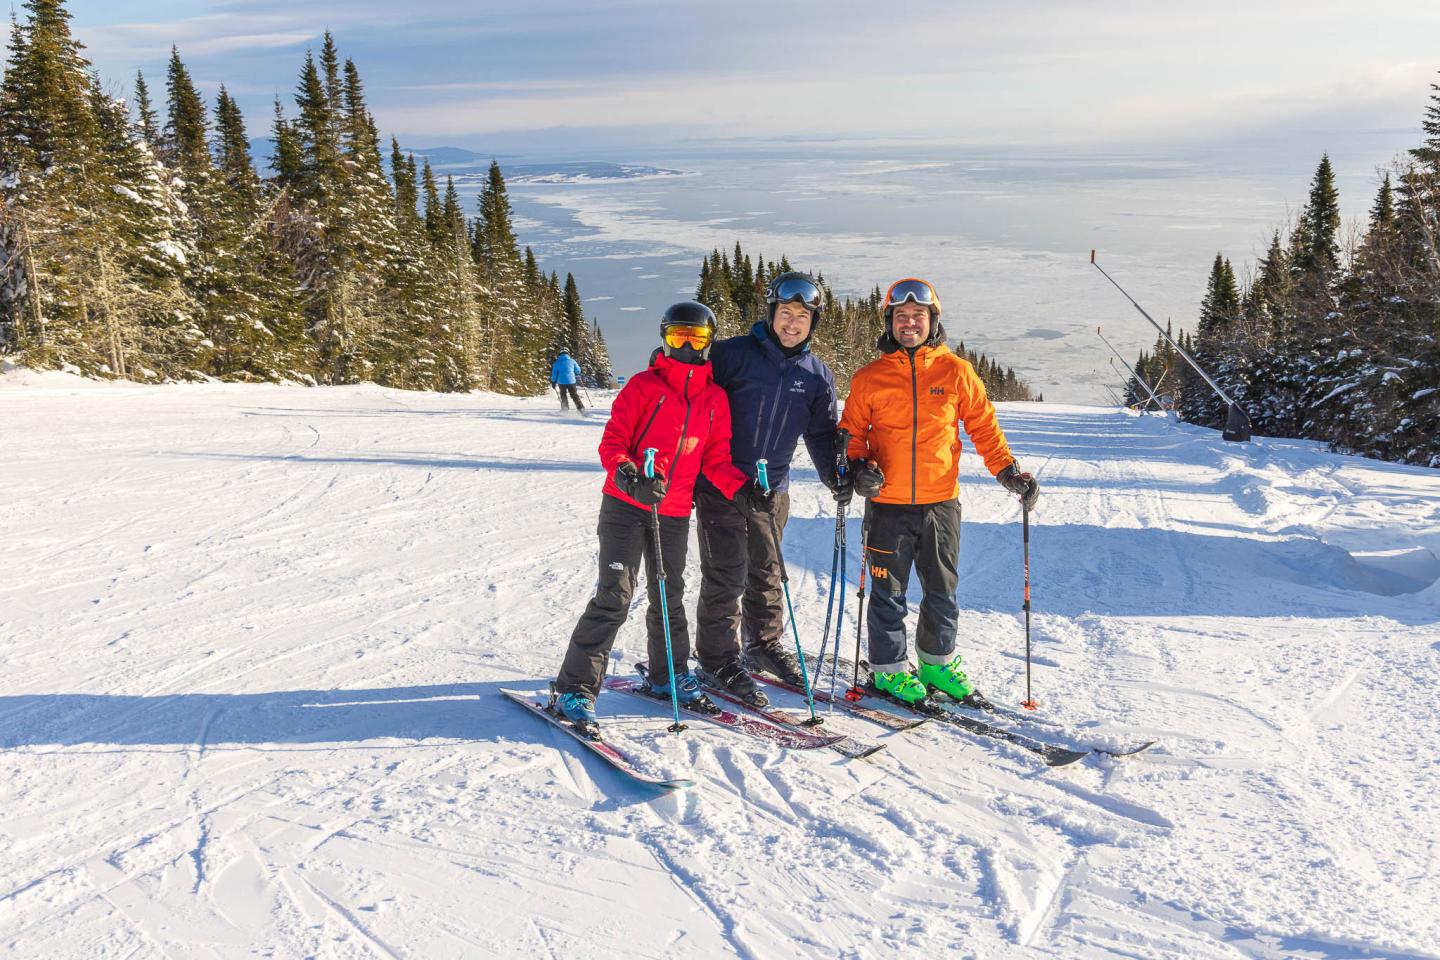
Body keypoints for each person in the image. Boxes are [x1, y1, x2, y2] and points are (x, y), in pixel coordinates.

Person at [839, 278, 1040, 705]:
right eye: (901, 317)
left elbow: (983, 426)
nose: (909, 323)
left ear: (933, 321)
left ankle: (936, 664)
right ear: (889, 322)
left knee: (941, 592)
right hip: (888, 507)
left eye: (918, 316)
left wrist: (1007, 470)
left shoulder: (955, 371)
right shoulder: (869, 379)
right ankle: (889, 672)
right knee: (888, 595)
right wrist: (859, 469)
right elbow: (852, 436)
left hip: (940, 504)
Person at [551, 302, 752, 730]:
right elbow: (613, 443)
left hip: (674, 511)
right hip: (626, 506)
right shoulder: (644, 386)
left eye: (695, 338)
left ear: (708, 342)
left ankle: (668, 675)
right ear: (664, 338)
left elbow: (716, 458)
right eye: (677, 335)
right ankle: (574, 687)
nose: (685, 345)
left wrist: (745, 489)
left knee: (668, 597)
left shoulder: (715, 398)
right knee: (615, 596)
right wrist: (629, 477)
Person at [693, 272, 848, 704]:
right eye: (785, 313)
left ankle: (761, 644)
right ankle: (716, 658)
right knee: (725, 574)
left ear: (812, 323)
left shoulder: (817, 375)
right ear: (771, 314)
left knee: (766, 572)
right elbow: (691, 390)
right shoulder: (731, 356)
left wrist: (833, 474)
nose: (792, 324)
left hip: (772, 490)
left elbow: (819, 433)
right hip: (721, 483)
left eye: (802, 316)